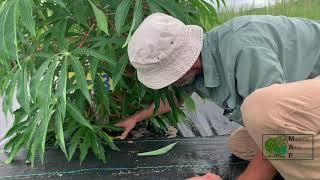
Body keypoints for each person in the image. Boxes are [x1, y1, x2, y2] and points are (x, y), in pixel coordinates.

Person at [116, 13, 320, 179]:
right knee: (241, 145)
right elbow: (176, 99)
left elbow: (277, 129)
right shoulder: (198, 65)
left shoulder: (245, 49)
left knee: (261, 111)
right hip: (306, 106)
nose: (167, 83)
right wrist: (136, 118)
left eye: (167, 75)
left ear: (185, 63)